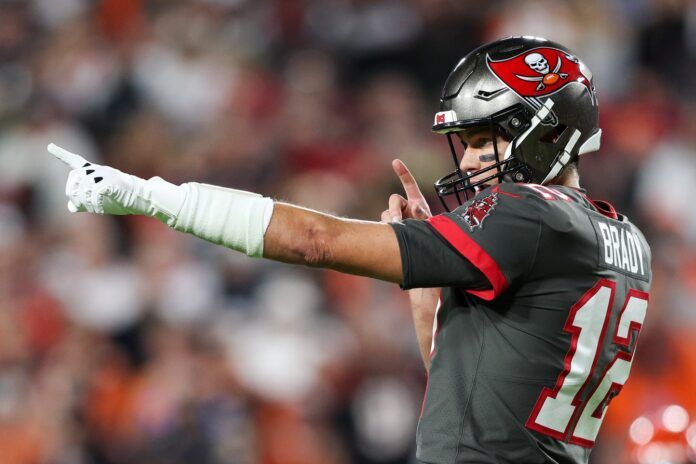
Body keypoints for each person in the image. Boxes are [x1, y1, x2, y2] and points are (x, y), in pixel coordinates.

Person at [48, 36, 651, 464]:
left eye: (482, 138)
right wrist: (431, 281)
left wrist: (156, 198)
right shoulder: (628, 242)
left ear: (547, 132)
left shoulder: (529, 215)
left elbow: (316, 242)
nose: (467, 160)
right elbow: (460, 380)